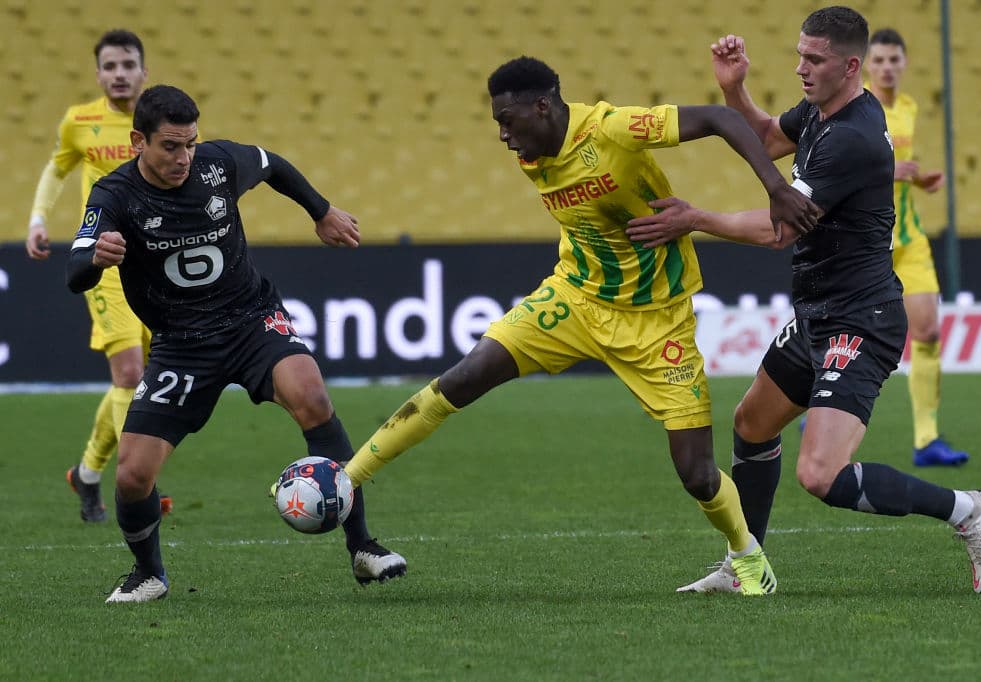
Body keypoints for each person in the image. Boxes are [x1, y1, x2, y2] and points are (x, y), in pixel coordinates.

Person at [338, 56, 819, 596]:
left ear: (542, 106)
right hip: (574, 298)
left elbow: (718, 118)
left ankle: (746, 560)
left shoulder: (613, 128)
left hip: (657, 319)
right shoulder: (534, 148)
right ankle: (345, 480)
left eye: (507, 120)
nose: (502, 135)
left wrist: (777, 188)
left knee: (698, 474)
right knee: (467, 374)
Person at [626, 6, 981, 595]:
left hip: (861, 318)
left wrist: (696, 218)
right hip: (817, 314)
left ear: (850, 66)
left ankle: (970, 510)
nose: (801, 68)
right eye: (799, 54)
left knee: (820, 474)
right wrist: (735, 88)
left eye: (814, 59)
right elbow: (770, 137)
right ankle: (745, 564)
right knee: (751, 424)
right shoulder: (826, 110)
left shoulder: (851, 139)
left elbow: (781, 228)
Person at [66, 85, 406, 602]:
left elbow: (273, 164)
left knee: (312, 396)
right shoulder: (115, 195)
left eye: (190, 144)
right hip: (181, 345)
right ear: (139, 141)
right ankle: (149, 574)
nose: (184, 158)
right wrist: (97, 257)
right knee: (133, 476)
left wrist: (321, 210)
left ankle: (363, 547)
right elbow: (75, 273)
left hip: (251, 321)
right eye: (170, 147)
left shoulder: (218, 164)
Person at [26, 29, 172, 521]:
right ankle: (140, 482)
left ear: (143, 72)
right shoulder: (80, 121)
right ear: (98, 75)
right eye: (110, 66)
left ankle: (86, 473)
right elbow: (57, 167)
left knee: (144, 378)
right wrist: (38, 218)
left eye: (128, 64)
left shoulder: (160, 123)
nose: (119, 74)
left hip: (154, 262)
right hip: (105, 259)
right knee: (129, 373)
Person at [864, 28, 967, 466]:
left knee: (927, 332)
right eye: (880, 60)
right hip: (868, 241)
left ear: (905, 63)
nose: (888, 67)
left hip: (908, 237)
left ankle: (927, 440)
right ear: (866, 65)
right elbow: (842, 169)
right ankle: (819, 406)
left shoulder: (907, 108)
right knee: (850, 330)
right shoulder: (857, 108)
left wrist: (917, 178)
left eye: (894, 60)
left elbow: (898, 171)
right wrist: (891, 172)